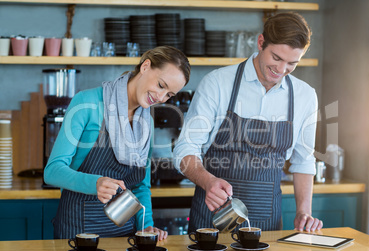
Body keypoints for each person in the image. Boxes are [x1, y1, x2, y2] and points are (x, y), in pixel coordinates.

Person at [173, 12, 323, 233]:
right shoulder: (217, 83)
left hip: (267, 226)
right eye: (277, 58)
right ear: (261, 42)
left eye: (292, 63)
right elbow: (185, 149)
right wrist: (207, 182)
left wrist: (304, 211)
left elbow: (303, 161)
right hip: (211, 220)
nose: (281, 71)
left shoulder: (305, 96)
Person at [45, 46, 191, 239]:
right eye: (161, 85)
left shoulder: (146, 123)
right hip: (79, 229)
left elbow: (140, 185)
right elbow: (52, 171)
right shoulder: (88, 103)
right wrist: (94, 183)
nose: (160, 98)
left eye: (169, 95)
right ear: (145, 66)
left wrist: (146, 226)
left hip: (126, 233)